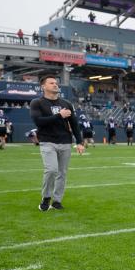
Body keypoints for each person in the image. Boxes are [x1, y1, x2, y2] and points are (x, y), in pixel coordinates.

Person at [29, 75, 84, 211]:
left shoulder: (66, 103)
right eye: (51, 83)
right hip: (48, 141)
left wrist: (80, 142)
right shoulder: (37, 102)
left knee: (62, 173)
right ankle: (46, 197)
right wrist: (59, 115)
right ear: (44, 86)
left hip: (65, 141)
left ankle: (57, 201)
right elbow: (38, 121)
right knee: (51, 170)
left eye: (56, 83)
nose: (55, 85)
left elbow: (75, 124)